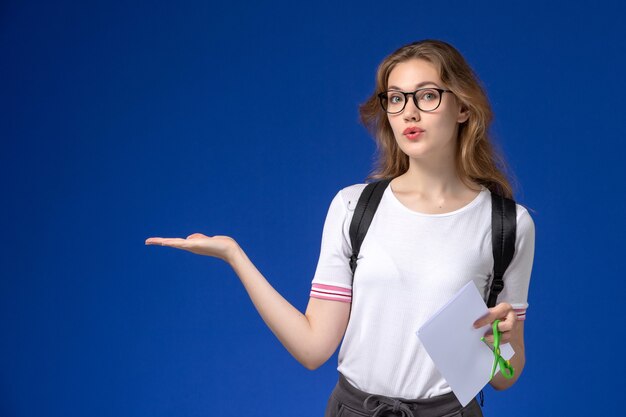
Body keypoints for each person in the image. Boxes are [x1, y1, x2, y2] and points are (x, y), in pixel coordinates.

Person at [145, 39, 535, 417]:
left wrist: (508, 336)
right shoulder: (354, 207)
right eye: (396, 98)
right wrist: (235, 255)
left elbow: (503, 377)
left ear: (463, 106)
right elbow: (314, 348)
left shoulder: (507, 224)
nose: (409, 113)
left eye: (427, 95)